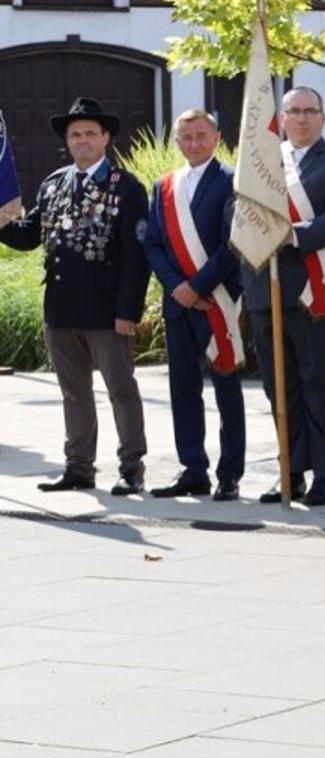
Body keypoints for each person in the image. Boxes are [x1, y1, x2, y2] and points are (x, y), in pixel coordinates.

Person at [0, 97, 150, 495]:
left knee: (121, 390)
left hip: (106, 312)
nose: (81, 140)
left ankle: (131, 466)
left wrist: (128, 311)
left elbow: (136, 259)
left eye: (89, 133)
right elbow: (29, 236)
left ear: (106, 138)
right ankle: (79, 467)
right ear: (67, 141)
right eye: (74, 134)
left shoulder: (126, 188)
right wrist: (1, 222)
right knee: (74, 393)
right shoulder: (54, 184)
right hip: (62, 309)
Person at [247, 87, 325, 507]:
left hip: (313, 292)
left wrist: (288, 235)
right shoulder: (260, 162)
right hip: (265, 289)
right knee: (281, 390)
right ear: (281, 116)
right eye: (293, 112)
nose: (300, 119)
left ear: (323, 117)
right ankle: (289, 471)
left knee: (321, 387)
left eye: (309, 111)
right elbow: (235, 213)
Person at [142, 109, 245, 502]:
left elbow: (233, 241)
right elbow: (152, 242)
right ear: (177, 141)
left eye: (201, 135)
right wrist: (178, 287)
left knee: (226, 385)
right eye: (186, 137)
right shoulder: (163, 186)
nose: (194, 143)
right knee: (183, 387)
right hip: (179, 303)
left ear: (217, 137)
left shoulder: (234, 181)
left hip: (219, 299)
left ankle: (230, 474)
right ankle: (193, 469)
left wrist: (200, 285)